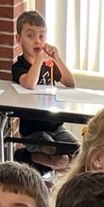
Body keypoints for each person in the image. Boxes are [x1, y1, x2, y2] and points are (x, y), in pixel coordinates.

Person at [11, 10, 80, 176]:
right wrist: (40, 60)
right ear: (19, 39)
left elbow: (70, 83)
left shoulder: (49, 64)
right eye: (30, 35)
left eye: (41, 36)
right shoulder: (19, 66)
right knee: (54, 152)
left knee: (79, 151)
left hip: (54, 124)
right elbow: (29, 83)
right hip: (33, 128)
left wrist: (57, 59)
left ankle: (52, 167)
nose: (37, 40)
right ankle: (26, 156)